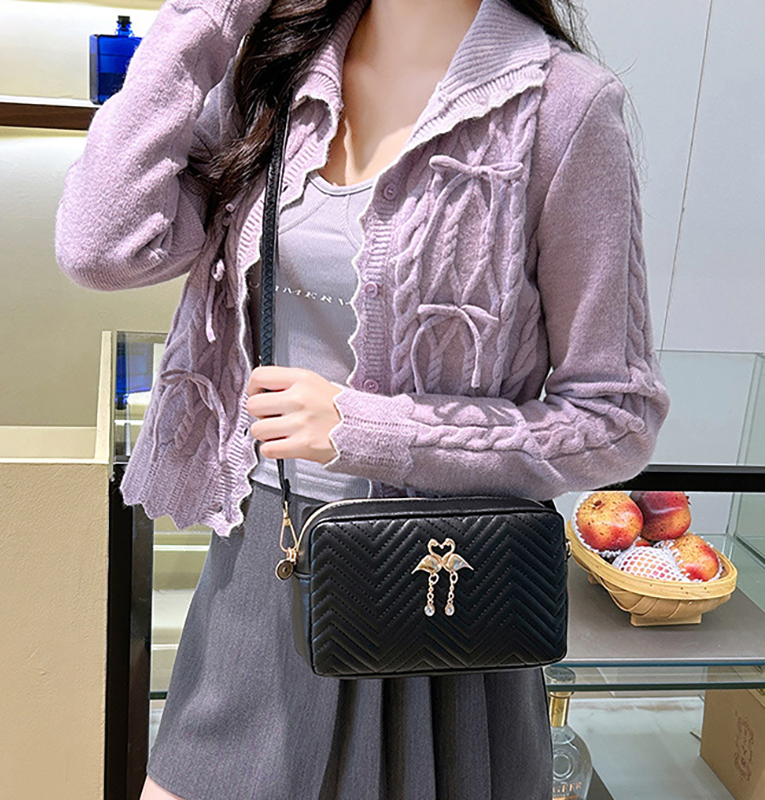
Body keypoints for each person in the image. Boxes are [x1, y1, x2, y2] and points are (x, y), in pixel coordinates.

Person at [55, 0, 671, 795]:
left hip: (440, 598)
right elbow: (101, 246)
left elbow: (615, 419)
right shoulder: (275, 69)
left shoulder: (563, 108)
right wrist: (208, 16)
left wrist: (367, 429)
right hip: (263, 570)